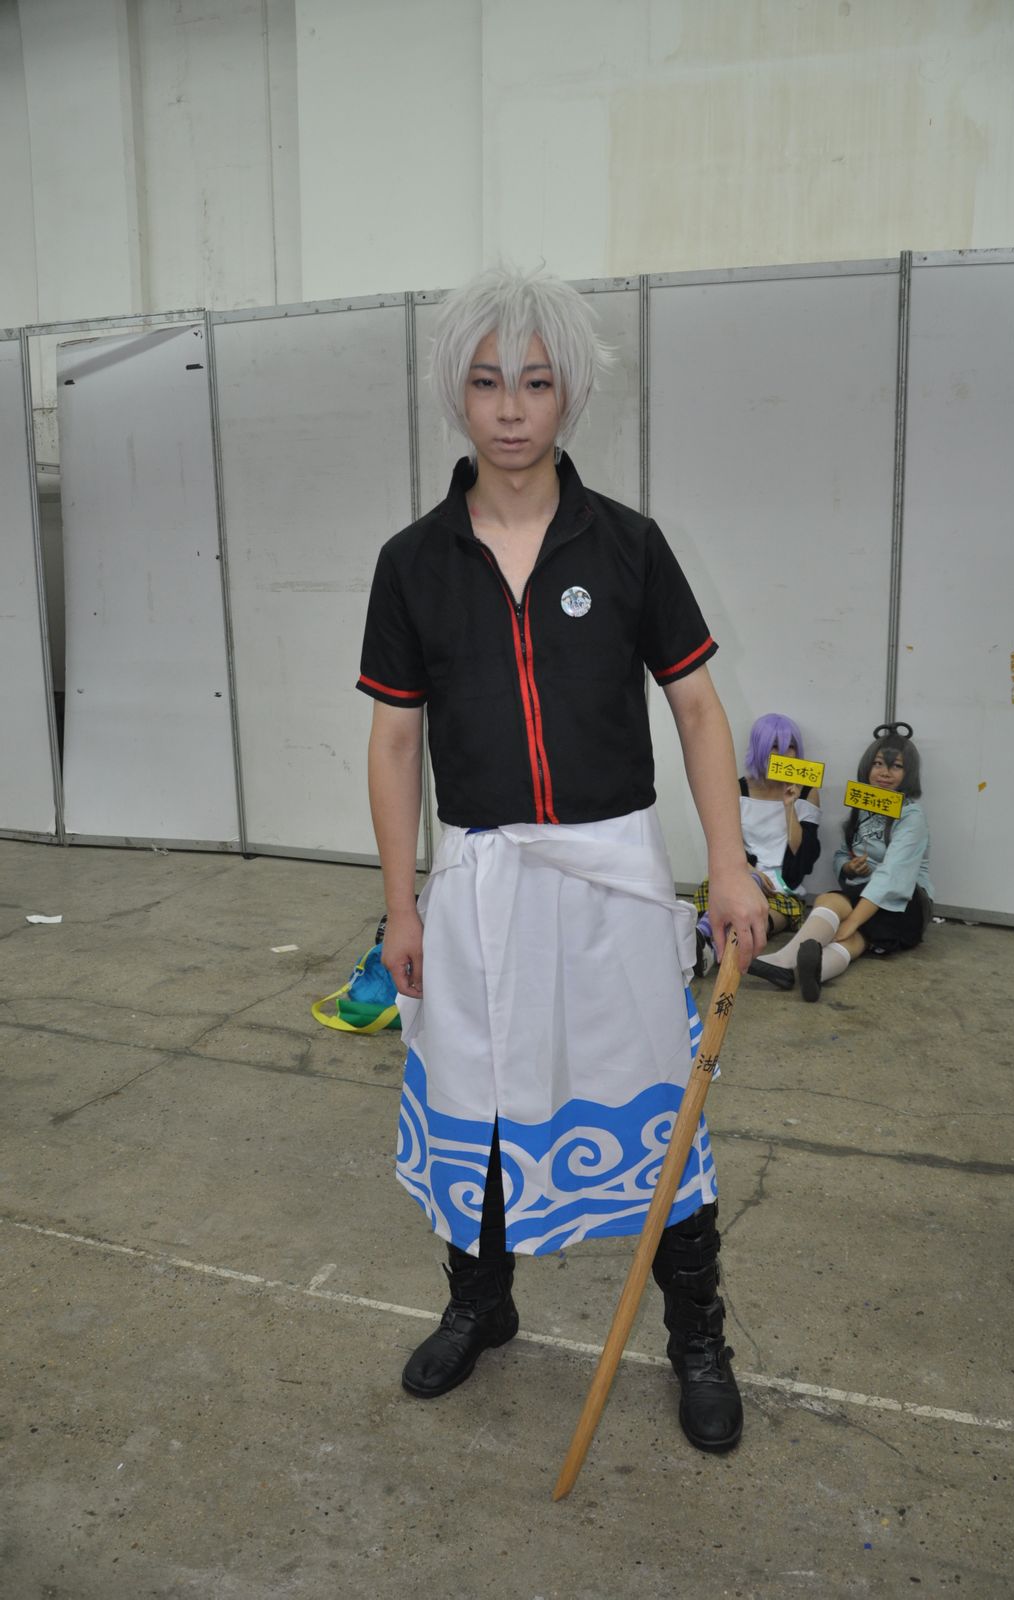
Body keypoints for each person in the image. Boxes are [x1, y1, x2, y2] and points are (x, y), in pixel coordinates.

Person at [357, 266, 767, 1454]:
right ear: (458, 394)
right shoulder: (413, 561)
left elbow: (698, 709)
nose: (511, 408)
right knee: (478, 1097)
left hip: (614, 879)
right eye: (488, 382)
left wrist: (729, 866)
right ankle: (480, 1302)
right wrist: (399, 906)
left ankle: (697, 1336)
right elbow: (393, 741)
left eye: (535, 383)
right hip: (479, 879)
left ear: (569, 393)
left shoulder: (628, 544)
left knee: (662, 1109)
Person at [748, 724, 932, 1001]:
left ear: (909, 773)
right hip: (867, 898)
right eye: (878, 764)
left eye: (896, 766)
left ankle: (785, 961)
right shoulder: (865, 805)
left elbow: (892, 876)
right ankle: (816, 971)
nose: (884, 772)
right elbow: (843, 855)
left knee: (834, 906)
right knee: (858, 939)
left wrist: (852, 920)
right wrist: (847, 867)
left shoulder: (912, 816)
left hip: (909, 903)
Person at [693, 713, 821, 970]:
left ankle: (707, 945)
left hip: (783, 885)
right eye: (774, 745)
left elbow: (804, 855)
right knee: (734, 895)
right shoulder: (738, 788)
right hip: (743, 872)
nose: (784, 752)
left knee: (766, 918)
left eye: (790, 746)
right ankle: (703, 939)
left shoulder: (807, 790)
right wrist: (747, 871)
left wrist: (790, 806)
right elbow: (725, 841)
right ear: (760, 748)